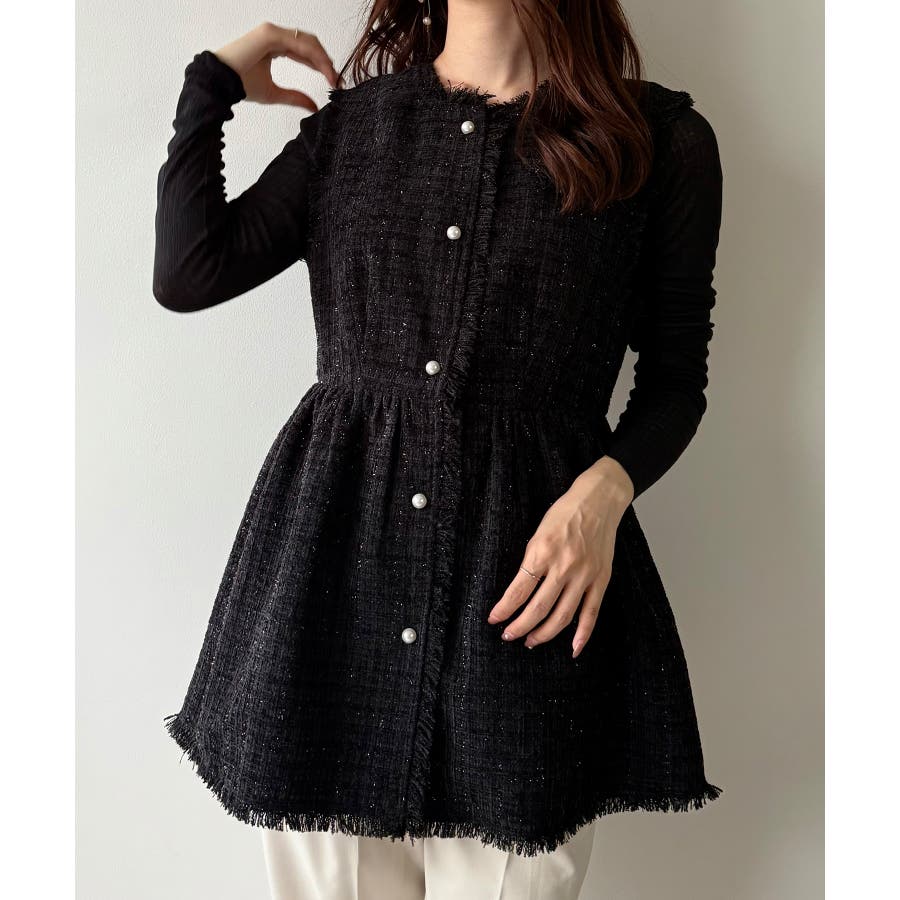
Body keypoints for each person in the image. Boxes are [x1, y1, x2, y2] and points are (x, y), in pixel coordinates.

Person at [153, 1, 725, 897]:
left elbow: (675, 380)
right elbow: (189, 273)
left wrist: (604, 494)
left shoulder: (656, 141)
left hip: (527, 605)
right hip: (334, 596)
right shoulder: (354, 130)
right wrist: (213, 85)